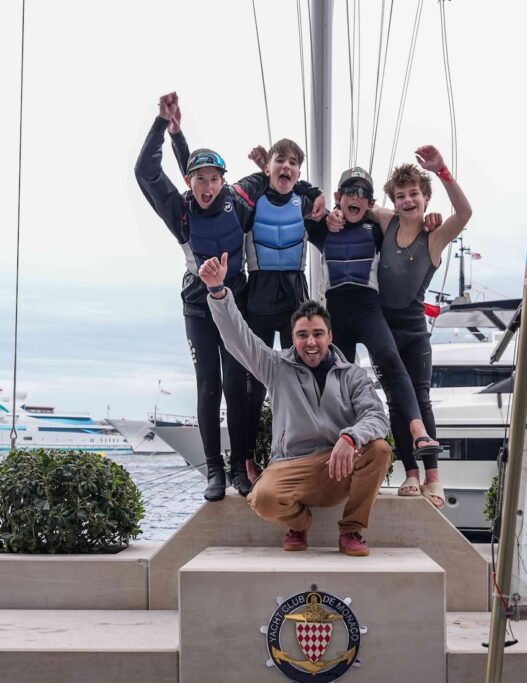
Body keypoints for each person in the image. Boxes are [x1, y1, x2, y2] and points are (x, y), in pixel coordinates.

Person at [200, 253, 392, 556]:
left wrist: (350, 436)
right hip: (291, 466)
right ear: (293, 338)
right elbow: (239, 339)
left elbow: (376, 417)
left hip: (338, 465)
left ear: (330, 336)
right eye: (303, 335)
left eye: (317, 334)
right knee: (262, 499)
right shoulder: (275, 367)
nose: (311, 342)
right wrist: (218, 292)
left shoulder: (353, 375)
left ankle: (352, 530)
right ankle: (299, 523)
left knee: (379, 450)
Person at [174, 139, 326, 486]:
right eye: (279, 161)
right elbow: (207, 192)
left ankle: (306, 456)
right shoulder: (249, 202)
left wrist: (320, 199)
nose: (286, 167)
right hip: (254, 297)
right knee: (248, 388)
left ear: (299, 171)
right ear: (267, 167)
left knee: (301, 379)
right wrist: (177, 138)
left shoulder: (304, 204)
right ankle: (243, 463)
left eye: (293, 163)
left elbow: (331, 234)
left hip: (293, 298)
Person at [135, 92, 255, 502]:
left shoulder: (238, 204)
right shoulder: (178, 210)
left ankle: (241, 467)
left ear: (225, 181)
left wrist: (317, 208)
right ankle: (215, 471)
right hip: (198, 303)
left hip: (235, 301)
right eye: (199, 179)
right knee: (209, 386)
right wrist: (161, 125)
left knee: (236, 382)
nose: (207, 186)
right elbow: (145, 172)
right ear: (189, 182)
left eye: (214, 179)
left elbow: (283, 192)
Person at [310, 167, 443, 485]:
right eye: (348, 192)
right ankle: (334, 451)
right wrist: (323, 207)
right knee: (334, 381)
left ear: (369, 202)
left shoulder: (376, 229)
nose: (355, 197)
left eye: (362, 193)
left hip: (369, 309)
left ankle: (418, 431)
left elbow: (407, 225)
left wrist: (431, 219)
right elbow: (298, 205)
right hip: (337, 313)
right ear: (339, 197)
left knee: (391, 363)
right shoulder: (323, 228)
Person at [363, 145, 472, 508]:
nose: (408, 200)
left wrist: (442, 171)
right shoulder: (386, 221)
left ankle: (433, 477)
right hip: (383, 328)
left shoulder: (435, 238)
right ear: (394, 201)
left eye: (414, 194)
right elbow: (359, 206)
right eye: (401, 195)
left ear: (425, 199)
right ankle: (410, 473)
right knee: (395, 401)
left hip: (414, 330)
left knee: (421, 398)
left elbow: (465, 212)